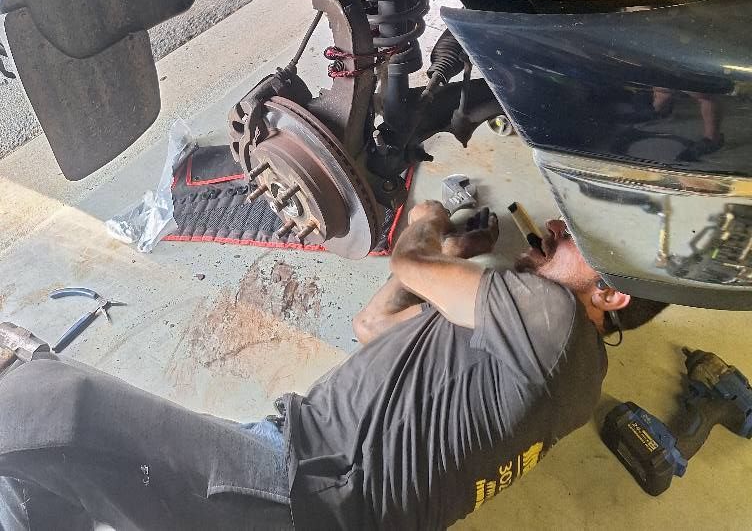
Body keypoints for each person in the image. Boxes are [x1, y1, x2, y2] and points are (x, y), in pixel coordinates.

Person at [0, 201, 667, 531]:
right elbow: (373, 326)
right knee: (36, 491)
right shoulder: (568, 370)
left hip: (305, 492)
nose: (552, 225)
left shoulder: (550, 315)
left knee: (55, 402)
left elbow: (409, 263)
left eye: (575, 235)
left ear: (611, 292)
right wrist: (450, 268)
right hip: (308, 484)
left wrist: (427, 226)